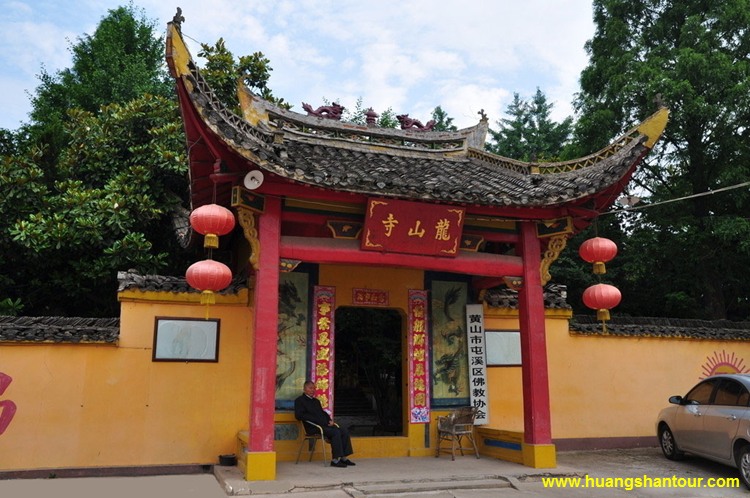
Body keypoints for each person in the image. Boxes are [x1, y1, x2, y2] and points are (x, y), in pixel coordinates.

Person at [294, 380, 355, 468]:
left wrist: (329, 420)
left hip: (323, 425)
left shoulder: (316, 401)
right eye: (310, 388)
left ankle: (343, 457)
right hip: (313, 427)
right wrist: (316, 420)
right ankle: (335, 460)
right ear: (304, 389)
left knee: (343, 430)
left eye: (314, 388)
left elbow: (323, 413)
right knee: (335, 432)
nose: (312, 390)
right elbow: (298, 415)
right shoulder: (299, 401)